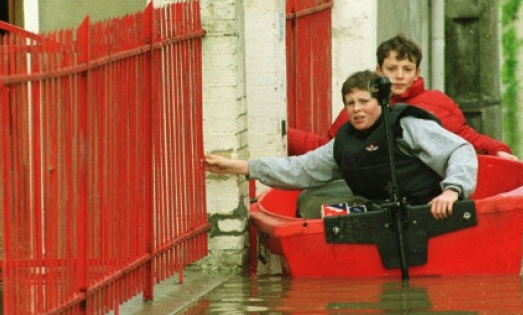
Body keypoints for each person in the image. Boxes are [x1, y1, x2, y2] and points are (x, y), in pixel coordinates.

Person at [202, 69, 477, 219]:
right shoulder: (343, 140)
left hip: (429, 210)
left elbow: (460, 150)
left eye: (364, 102)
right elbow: (301, 169)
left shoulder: (407, 125)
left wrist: (452, 191)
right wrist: (241, 167)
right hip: (379, 211)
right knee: (309, 201)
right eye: (350, 103)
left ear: (379, 102)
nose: (356, 110)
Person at [288, 34, 518, 160]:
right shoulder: (363, 105)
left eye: (406, 69)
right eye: (392, 68)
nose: (399, 76)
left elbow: (467, 138)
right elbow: (328, 148)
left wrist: (499, 149)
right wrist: (284, 136)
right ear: (379, 70)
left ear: (417, 73)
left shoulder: (437, 102)